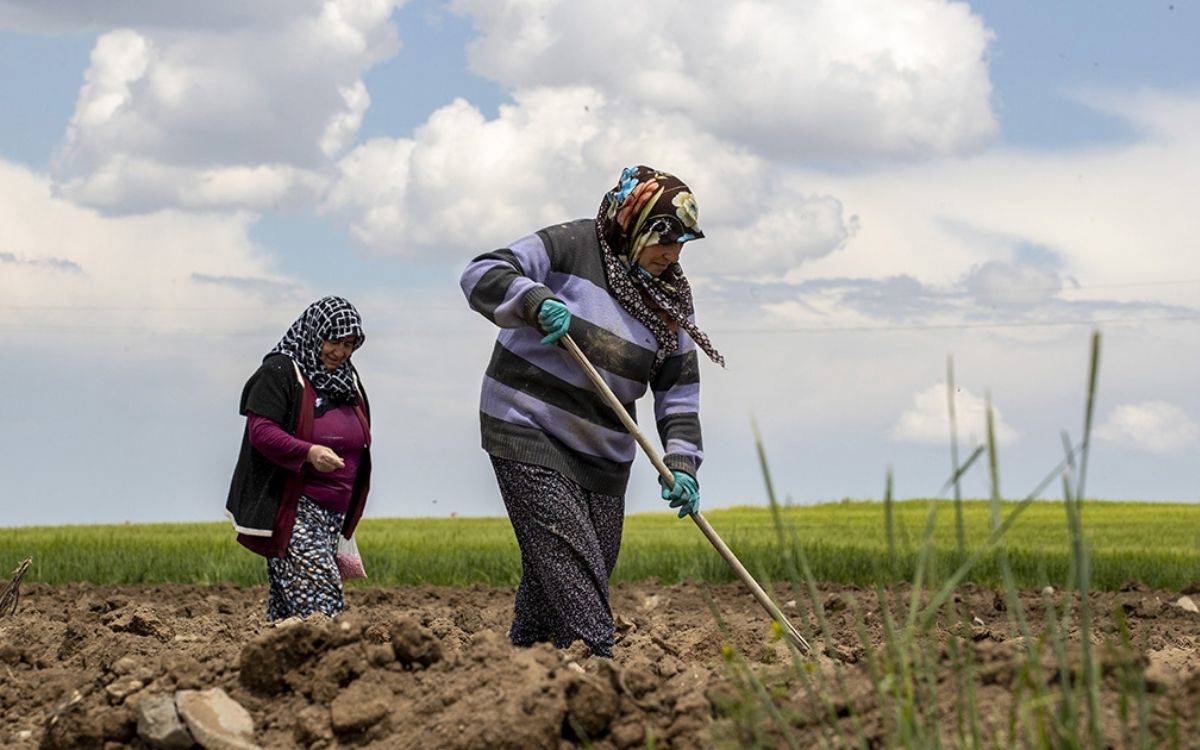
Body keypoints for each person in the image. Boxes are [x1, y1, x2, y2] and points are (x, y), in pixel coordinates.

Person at [459, 165, 724, 656]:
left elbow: (679, 393)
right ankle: (599, 661)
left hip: (604, 449)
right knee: (570, 558)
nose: (673, 253)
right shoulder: (573, 245)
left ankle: (523, 661)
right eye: (664, 239)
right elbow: (481, 273)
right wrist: (533, 301)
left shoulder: (669, 300)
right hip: (528, 425)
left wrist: (682, 465)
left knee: (580, 564)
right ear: (635, 223)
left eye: (683, 243)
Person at [225, 296, 372, 621]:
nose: (341, 352)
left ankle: (274, 664)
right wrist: (309, 452)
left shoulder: (348, 379)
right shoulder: (280, 372)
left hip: (334, 516)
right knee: (322, 605)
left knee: (289, 612)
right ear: (314, 333)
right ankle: (327, 665)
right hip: (294, 510)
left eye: (349, 344)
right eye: (334, 341)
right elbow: (260, 431)